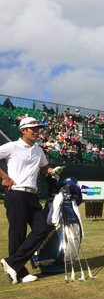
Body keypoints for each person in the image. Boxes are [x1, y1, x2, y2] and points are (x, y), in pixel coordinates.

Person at [0, 117, 57, 284]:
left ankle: (12, 263)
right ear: (23, 130)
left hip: (32, 195)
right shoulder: (12, 146)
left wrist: (52, 171)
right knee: (17, 234)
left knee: (41, 229)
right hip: (16, 194)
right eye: (34, 129)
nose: (37, 131)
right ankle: (20, 272)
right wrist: (4, 177)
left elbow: (44, 168)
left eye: (38, 128)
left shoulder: (39, 150)